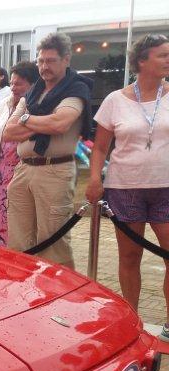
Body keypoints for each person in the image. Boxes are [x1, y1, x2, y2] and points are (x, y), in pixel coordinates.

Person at [88, 34, 169, 334]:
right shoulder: (115, 100)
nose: (168, 60)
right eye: (162, 55)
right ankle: (132, 320)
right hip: (126, 187)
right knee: (130, 256)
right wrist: (95, 178)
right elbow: (99, 147)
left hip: (165, 187)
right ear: (142, 61)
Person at [4, 32, 93, 269]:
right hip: (23, 171)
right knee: (19, 243)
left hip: (54, 171)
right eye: (41, 61)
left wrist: (25, 118)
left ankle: (61, 301)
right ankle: (24, 295)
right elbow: (8, 132)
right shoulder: (33, 92)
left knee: (53, 244)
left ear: (66, 60)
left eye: (51, 61)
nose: (45, 66)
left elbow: (60, 124)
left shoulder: (76, 89)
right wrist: (38, 121)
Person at [0, 61, 38, 246]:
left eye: (19, 83)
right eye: (12, 83)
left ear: (32, 84)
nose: (13, 87)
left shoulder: (35, 107)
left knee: (10, 221)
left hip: (18, 173)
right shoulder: (5, 104)